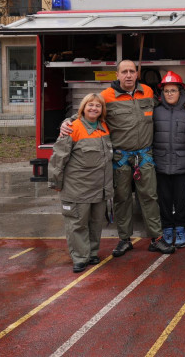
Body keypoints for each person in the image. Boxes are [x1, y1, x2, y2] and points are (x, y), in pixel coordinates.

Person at [59, 60, 175, 257]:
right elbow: (89, 112)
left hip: (144, 156)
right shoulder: (106, 97)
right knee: (122, 199)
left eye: (131, 71)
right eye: (124, 72)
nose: (128, 75)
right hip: (120, 158)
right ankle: (124, 239)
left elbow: (167, 105)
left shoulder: (147, 91)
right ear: (117, 75)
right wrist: (67, 121)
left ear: (137, 74)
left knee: (150, 198)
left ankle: (156, 238)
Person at [49, 93, 113, 272]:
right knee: (77, 224)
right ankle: (79, 258)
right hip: (77, 188)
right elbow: (58, 157)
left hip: (98, 189)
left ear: (102, 110)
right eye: (90, 105)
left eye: (97, 106)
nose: (94, 108)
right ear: (83, 108)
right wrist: (56, 183)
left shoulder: (104, 127)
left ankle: (92, 253)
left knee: (95, 223)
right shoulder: (72, 127)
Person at [153, 71, 185, 249]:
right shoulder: (155, 112)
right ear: (162, 93)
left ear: (180, 92)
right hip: (160, 164)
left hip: (182, 165)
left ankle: (181, 229)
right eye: (166, 91)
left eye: (173, 90)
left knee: (181, 199)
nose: (170, 94)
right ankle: (168, 228)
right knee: (164, 199)